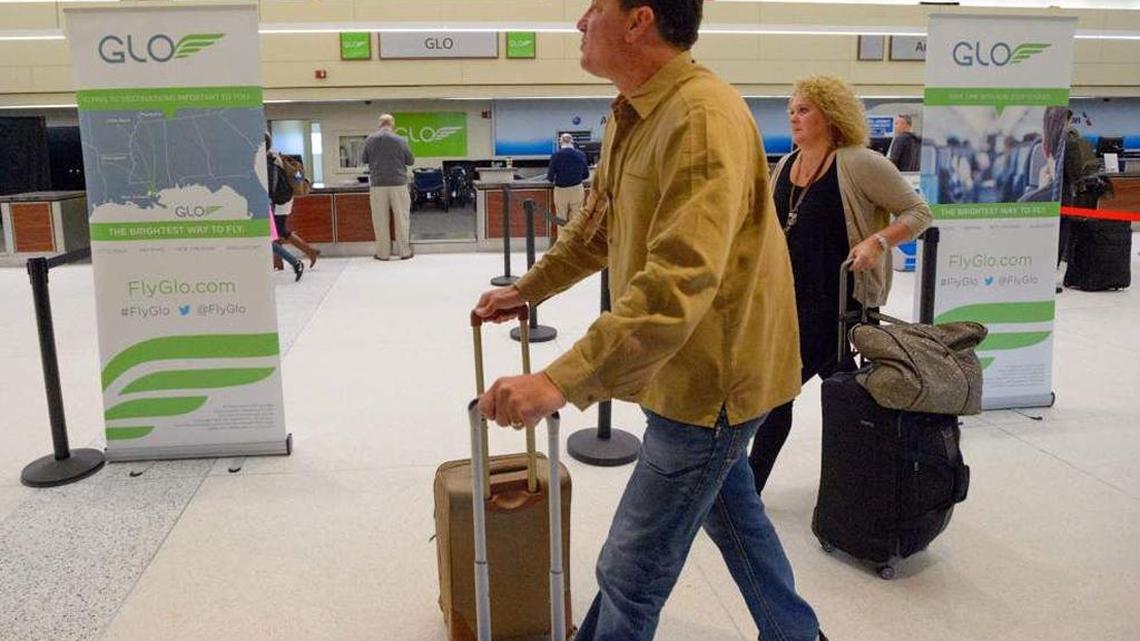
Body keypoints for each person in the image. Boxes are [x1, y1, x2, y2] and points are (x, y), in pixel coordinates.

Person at [472, 2, 825, 640]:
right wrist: (529, 289)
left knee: (630, 572)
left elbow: (680, 279)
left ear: (639, 21)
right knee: (734, 517)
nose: (580, 22)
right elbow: (598, 227)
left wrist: (560, 380)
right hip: (681, 370)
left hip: (711, 380)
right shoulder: (635, 113)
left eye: (594, 9)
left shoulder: (700, 117)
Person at [748, 75, 932, 494]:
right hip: (784, 305)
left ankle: (749, 491)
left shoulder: (859, 163)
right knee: (843, 391)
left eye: (804, 109)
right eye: (791, 110)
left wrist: (878, 240)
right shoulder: (786, 167)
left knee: (779, 392)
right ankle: (858, 482)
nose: (794, 117)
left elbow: (919, 212)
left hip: (838, 306)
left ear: (831, 115)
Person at [361, 114, 415, 260]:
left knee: (380, 220)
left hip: (378, 184)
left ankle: (383, 253)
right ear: (393, 125)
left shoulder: (370, 139)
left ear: (379, 124)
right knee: (401, 219)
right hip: (398, 184)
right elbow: (410, 161)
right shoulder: (400, 140)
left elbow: (364, 159)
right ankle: (404, 252)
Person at [266, 134, 320, 269]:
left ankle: (283, 262)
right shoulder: (275, 156)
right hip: (283, 199)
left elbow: (273, 184)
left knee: (278, 230)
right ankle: (307, 253)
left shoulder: (271, 159)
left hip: (279, 200)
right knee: (278, 230)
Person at [546, 132, 591, 221]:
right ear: (572, 142)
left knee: (561, 218)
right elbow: (586, 175)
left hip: (561, 190)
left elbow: (550, 177)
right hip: (577, 189)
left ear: (560, 143)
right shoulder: (581, 155)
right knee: (576, 218)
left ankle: (563, 235)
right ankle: (575, 235)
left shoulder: (555, 156)